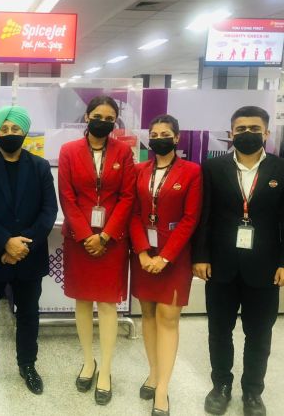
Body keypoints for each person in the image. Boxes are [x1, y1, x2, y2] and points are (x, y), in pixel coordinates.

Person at [192, 106, 284, 416]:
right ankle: (221, 386)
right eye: (241, 129)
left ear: (266, 133)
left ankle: (252, 393)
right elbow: (204, 215)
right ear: (231, 133)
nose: (247, 133)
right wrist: (201, 256)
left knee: (259, 334)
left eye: (254, 128)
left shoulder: (280, 169)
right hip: (220, 265)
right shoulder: (213, 167)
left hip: (265, 267)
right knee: (219, 331)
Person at [0, 105, 58, 399]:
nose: (9, 133)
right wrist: (5, 242)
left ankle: (27, 365)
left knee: (28, 314)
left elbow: (48, 211)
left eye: (15, 128)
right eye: (4, 129)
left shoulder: (40, 167)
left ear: (24, 131)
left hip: (29, 256)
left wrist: (22, 245)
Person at [58, 95, 135, 406]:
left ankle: (106, 369)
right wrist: (86, 235)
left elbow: (128, 197)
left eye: (109, 118)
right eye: (98, 116)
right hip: (79, 239)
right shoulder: (68, 151)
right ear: (87, 117)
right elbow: (66, 195)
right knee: (82, 301)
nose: (103, 121)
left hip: (111, 240)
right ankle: (88, 361)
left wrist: (104, 236)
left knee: (107, 304)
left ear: (115, 122)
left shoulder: (124, 151)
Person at [129, 115, 202, 416]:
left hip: (175, 256)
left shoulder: (192, 171)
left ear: (177, 137)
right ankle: (153, 372)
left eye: (165, 134)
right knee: (147, 314)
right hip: (144, 255)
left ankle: (162, 389)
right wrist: (143, 253)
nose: (159, 138)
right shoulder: (138, 170)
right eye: (154, 134)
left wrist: (165, 257)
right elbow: (133, 213)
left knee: (168, 318)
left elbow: (190, 218)